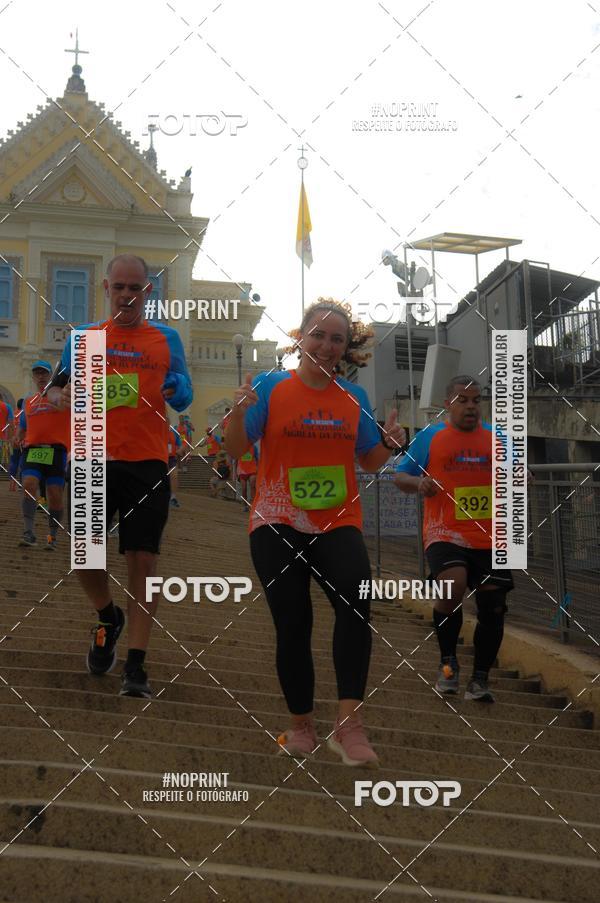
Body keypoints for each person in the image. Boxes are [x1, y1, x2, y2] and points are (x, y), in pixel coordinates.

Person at [225, 298, 406, 766]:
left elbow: (366, 460)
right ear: (300, 337)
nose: (326, 345)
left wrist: (387, 444)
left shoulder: (354, 399)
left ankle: (349, 726)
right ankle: (301, 724)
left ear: (347, 347)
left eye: (337, 339)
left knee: (355, 601)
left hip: (336, 520)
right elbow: (237, 448)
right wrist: (236, 413)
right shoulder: (269, 386)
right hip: (276, 518)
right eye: (318, 335)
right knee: (293, 621)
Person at [50, 254, 193, 698]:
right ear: (106, 288)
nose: (128, 295)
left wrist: (178, 389)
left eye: (137, 288)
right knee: (85, 555)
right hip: (92, 455)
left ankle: (136, 665)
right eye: (120, 287)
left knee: (143, 560)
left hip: (147, 460)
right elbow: (56, 388)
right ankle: (108, 616)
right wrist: (64, 393)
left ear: (148, 291)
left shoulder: (166, 338)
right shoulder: (85, 338)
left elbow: (185, 391)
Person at [393, 375, 529, 703]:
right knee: (452, 586)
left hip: (491, 535)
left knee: (493, 607)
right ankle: (448, 664)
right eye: (462, 400)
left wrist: (523, 477)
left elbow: (517, 472)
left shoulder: (497, 437)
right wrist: (418, 485)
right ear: (447, 404)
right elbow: (400, 475)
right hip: (445, 531)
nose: (470, 406)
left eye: (475, 400)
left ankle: (480, 680)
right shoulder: (431, 437)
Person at [17, 362, 69, 550]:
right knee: (29, 485)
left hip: (57, 451)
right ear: (33, 377)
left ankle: (51, 537)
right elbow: (23, 426)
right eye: (37, 374)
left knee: (55, 495)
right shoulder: (28, 402)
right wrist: (18, 437)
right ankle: (28, 532)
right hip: (33, 450)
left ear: (51, 377)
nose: (41, 377)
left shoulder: (62, 398)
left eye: (44, 374)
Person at [7, 398, 22, 492]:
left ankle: (12, 485)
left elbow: (10, 426)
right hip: (23, 442)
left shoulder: (14, 414)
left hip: (13, 442)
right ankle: (21, 485)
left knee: (13, 462)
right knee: (22, 463)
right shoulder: (26, 414)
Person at [167, 423, 183, 508]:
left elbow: (181, 445)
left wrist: (180, 450)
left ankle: (173, 498)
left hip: (171, 458)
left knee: (174, 476)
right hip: (160, 458)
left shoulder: (174, 432)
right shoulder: (156, 430)